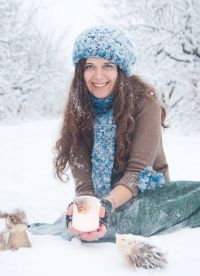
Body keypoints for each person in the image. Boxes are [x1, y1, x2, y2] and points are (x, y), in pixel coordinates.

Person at [28, 26, 200, 242]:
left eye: (107, 65)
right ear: (81, 71)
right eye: (90, 66)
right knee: (78, 226)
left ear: (120, 69)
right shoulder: (79, 110)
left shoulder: (146, 104)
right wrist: (88, 209)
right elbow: (84, 184)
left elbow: (138, 171)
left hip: (147, 195)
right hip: (103, 201)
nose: (98, 75)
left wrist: (106, 207)